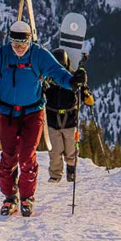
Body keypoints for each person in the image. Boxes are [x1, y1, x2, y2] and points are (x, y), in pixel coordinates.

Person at [0, 21, 86, 217]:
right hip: (7, 113)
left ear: (29, 41)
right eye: (15, 44)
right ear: (10, 41)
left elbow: (58, 72)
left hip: (32, 113)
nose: (19, 49)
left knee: (27, 157)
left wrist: (72, 81)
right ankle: (10, 197)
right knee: (8, 156)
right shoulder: (1, 55)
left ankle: (27, 197)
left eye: (22, 45)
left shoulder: (39, 55)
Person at [43, 48, 80, 183]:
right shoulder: (47, 82)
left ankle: (70, 170)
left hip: (68, 119)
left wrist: (85, 92)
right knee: (55, 151)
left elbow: (82, 89)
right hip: (54, 119)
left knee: (71, 149)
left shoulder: (71, 79)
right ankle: (55, 175)